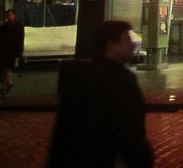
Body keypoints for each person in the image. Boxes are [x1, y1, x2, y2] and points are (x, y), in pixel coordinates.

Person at [49, 20, 154, 168]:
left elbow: (64, 129)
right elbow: (130, 131)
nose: (132, 44)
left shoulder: (79, 76)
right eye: (127, 39)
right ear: (111, 45)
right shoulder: (122, 80)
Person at [0, 9, 24, 97]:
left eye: (11, 14)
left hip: (11, 51)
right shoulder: (3, 25)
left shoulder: (19, 26)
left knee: (7, 70)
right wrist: (0, 26)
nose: (9, 16)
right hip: (0, 51)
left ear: (14, 15)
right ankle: (8, 83)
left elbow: (20, 39)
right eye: (8, 15)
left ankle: (5, 89)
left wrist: (19, 52)